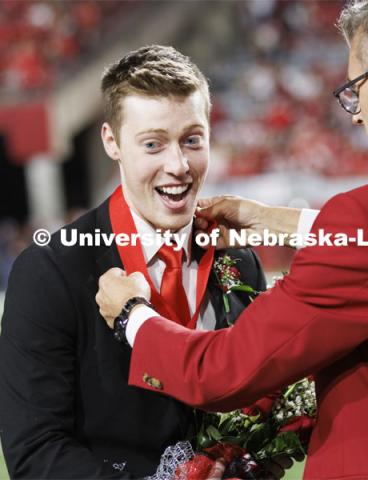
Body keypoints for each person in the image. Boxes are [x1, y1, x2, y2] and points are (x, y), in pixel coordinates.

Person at [96, 1, 368, 478]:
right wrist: (273, 219)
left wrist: (132, 317)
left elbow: (223, 372)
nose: (356, 116)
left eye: (354, 89)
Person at [0, 45, 266, 478]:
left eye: (192, 140)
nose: (177, 165)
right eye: (153, 144)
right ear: (112, 141)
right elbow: (36, 453)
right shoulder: (51, 271)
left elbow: (258, 403)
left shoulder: (240, 262)